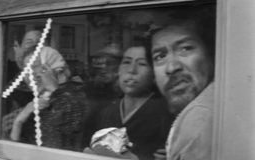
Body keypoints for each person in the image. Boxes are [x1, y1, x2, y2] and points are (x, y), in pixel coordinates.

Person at [86, 43, 174, 160]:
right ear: (118, 70)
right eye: (126, 62)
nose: (132, 70)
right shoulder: (103, 112)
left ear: (154, 74)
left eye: (142, 64)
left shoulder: (168, 115)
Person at [150, 18, 215, 160]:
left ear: (210, 54)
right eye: (160, 56)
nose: (171, 68)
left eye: (185, 49)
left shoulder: (200, 117)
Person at [3, 46, 89, 151]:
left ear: (52, 68)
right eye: (26, 70)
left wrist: (53, 88)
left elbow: (56, 143)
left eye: (35, 67)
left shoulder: (73, 96)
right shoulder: (38, 103)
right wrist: (19, 121)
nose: (29, 76)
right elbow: (11, 152)